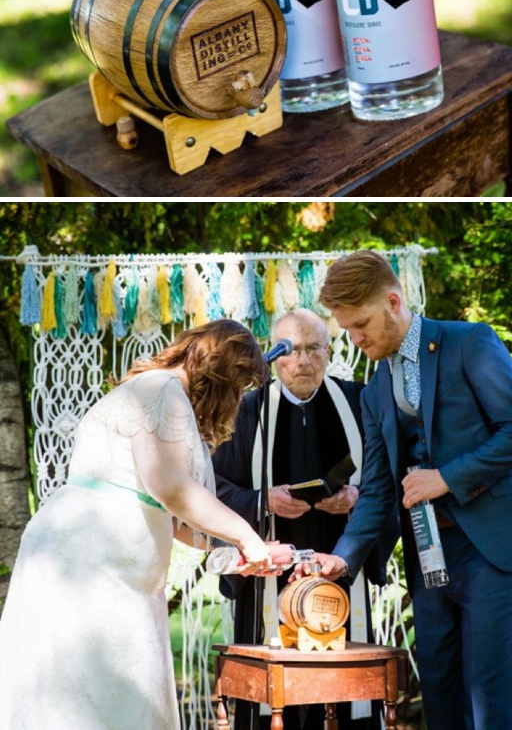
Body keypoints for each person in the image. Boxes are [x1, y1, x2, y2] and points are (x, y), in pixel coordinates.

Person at [304, 250, 512, 730]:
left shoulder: (471, 342)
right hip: (429, 556)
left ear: (393, 301)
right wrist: (343, 557)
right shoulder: (375, 388)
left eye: (361, 324)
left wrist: (446, 478)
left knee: (489, 692)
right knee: (440, 690)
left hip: (495, 545)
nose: (356, 339)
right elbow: (380, 488)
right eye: (348, 330)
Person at [0, 319, 273, 730]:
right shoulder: (161, 390)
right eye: (239, 385)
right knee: (81, 694)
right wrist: (247, 535)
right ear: (223, 371)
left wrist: (229, 550)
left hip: (118, 567)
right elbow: (171, 489)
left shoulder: (163, 390)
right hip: (92, 562)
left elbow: (166, 512)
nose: (236, 399)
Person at [213, 308, 394, 730]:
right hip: (267, 578)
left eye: (314, 348)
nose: (303, 361)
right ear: (274, 357)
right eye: (291, 350)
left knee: (346, 700)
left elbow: (390, 480)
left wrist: (358, 497)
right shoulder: (247, 412)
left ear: (330, 352)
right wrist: (261, 501)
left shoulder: (359, 402)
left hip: (340, 571)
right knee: (275, 700)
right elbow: (211, 489)